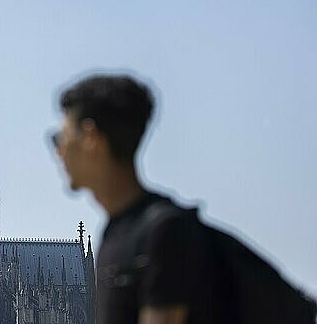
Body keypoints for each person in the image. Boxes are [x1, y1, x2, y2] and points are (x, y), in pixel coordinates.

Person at [52, 74, 234, 324]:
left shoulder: (163, 234)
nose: (58, 151)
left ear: (90, 139)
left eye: (61, 138)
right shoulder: (120, 234)